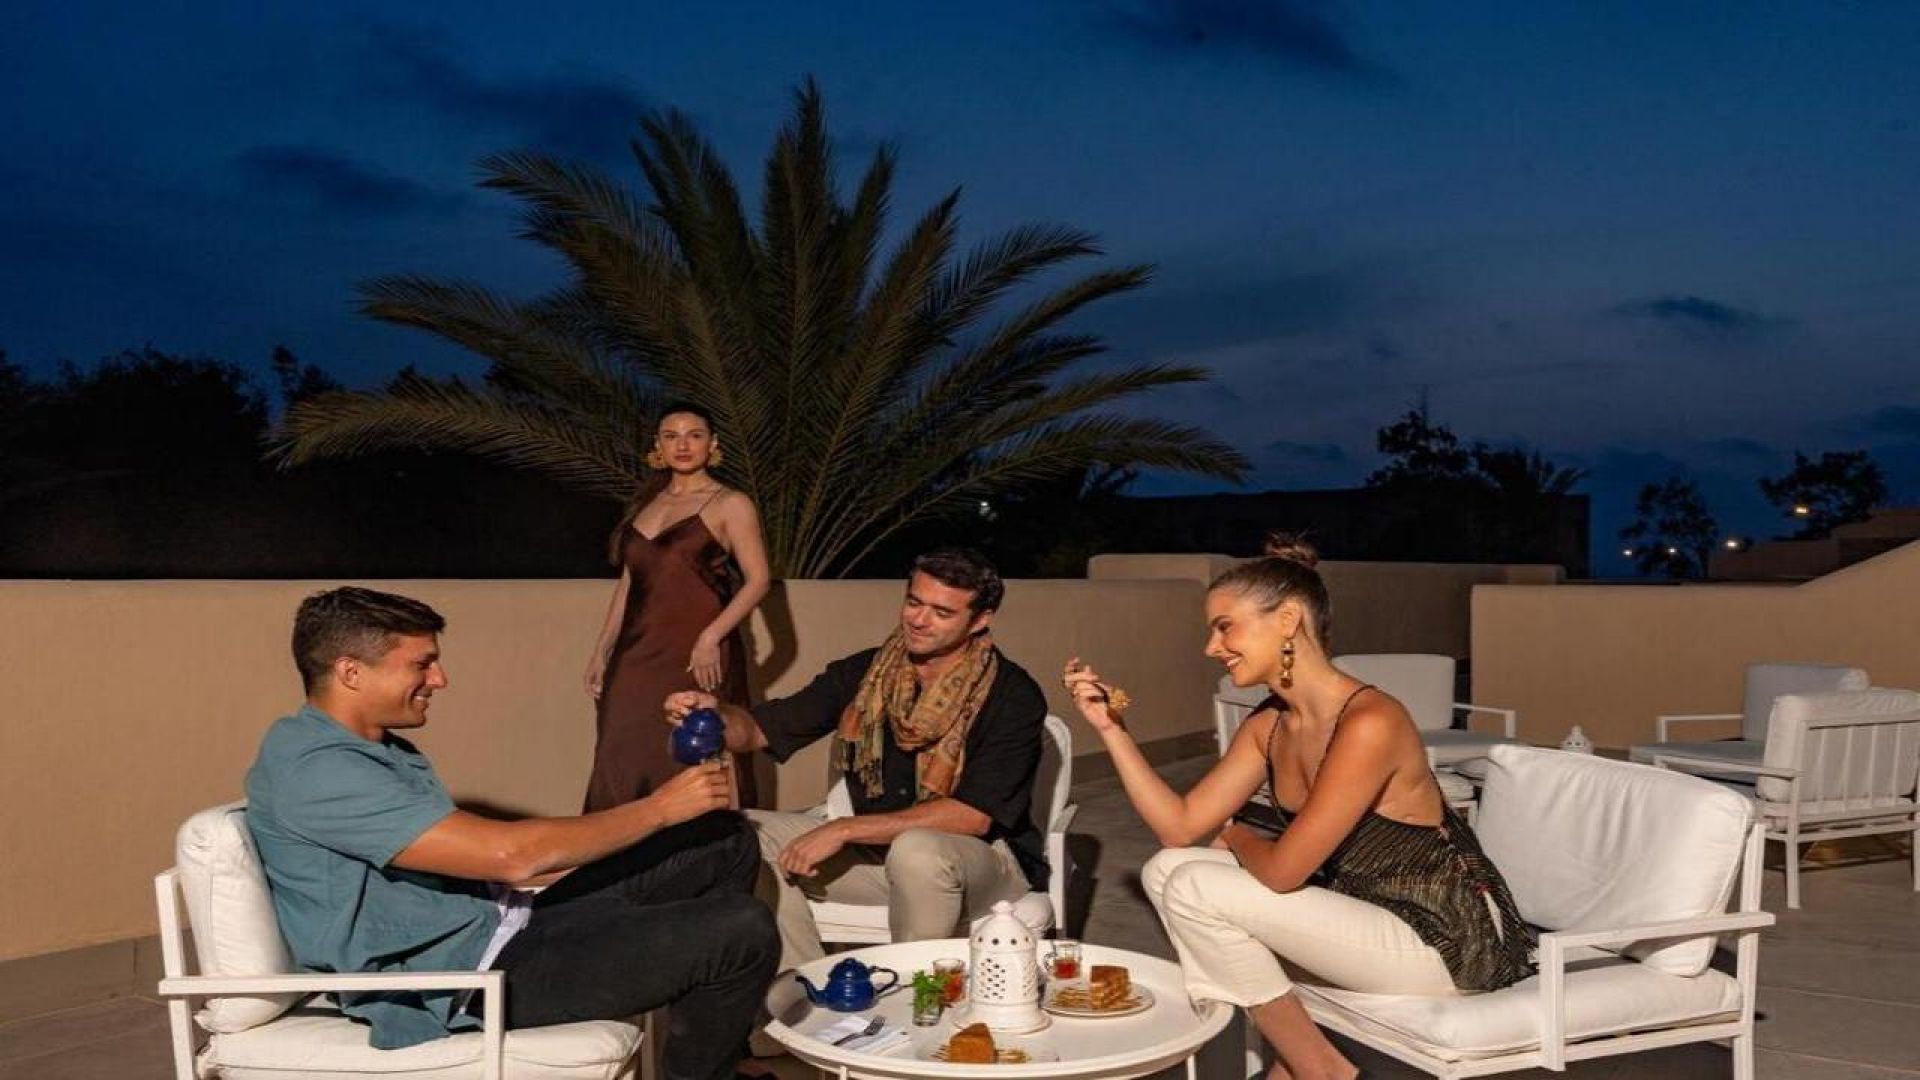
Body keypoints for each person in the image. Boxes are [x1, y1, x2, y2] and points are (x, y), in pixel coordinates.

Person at [246, 587, 777, 1080]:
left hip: (501, 924)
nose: (439, 679)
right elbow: (509, 856)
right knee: (741, 930)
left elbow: (483, 862)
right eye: (422, 664)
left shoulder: (369, 748)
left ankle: (709, 1036)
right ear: (351, 672)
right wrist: (659, 809)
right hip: (466, 980)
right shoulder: (318, 771)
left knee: (722, 840)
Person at [1064, 535, 1532, 1080]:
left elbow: (1285, 872)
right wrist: (1110, 729)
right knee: (1168, 869)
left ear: (1287, 619)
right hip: (1366, 911)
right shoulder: (1269, 723)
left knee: (1194, 886)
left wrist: (1235, 834)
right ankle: (1294, 1064)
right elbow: (1179, 828)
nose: (1212, 648)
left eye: (1224, 627)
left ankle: (1317, 1070)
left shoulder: (1371, 722)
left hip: (1448, 937)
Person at [665, 548, 1047, 973]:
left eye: (942, 612)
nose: (919, 620)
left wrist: (843, 829)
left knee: (917, 849)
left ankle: (914, 996)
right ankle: (805, 991)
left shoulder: (1012, 695)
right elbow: (759, 729)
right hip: (876, 859)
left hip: (982, 867)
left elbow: (973, 816)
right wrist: (715, 716)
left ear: (980, 620)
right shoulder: (868, 674)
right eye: (914, 602)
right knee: (737, 835)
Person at [584, 402, 771, 811]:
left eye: (694, 435)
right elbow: (629, 584)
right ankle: (619, 847)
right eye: (671, 436)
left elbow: (759, 580)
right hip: (634, 656)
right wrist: (603, 649)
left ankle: (707, 847)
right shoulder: (647, 504)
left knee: (695, 750)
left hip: (696, 653)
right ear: (658, 445)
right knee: (620, 753)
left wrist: (711, 637)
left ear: (713, 444)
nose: (683, 445)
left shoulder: (730, 503)